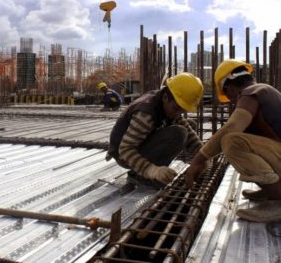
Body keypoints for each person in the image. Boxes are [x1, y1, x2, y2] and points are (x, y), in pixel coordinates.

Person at [184, 59, 281, 222]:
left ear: (228, 87)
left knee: (231, 141)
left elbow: (231, 128)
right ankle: (271, 190)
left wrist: (198, 160)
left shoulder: (251, 92)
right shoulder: (265, 91)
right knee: (241, 140)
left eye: (227, 95)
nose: (231, 101)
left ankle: (278, 198)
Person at [106, 72, 205, 188]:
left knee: (188, 126)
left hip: (139, 145)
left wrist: (203, 156)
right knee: (179, 133)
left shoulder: (166, 103)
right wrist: (152, 170)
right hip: (124, 155)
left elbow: (190, 134)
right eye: (176, 108)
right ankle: (140, 176)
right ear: (165, 98)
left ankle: (150, 169)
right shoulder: (145, 114)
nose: (178, 114)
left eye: (183, 111)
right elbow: (125, 149)